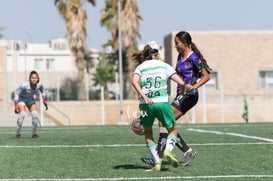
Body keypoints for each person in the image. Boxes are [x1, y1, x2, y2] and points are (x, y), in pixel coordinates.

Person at [141, 31, 212, 167]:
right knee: (167, 123)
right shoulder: (180, 56)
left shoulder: (193, 58)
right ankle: (187, 151)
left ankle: (159, 157)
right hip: (181, 95)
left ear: (185, 43)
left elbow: (206, 76)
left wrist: (194, 86)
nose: (175, 46)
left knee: (164, 122)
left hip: (189, 96)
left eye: (177, 43)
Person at [131, 41, 187, 171]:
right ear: (157, 53)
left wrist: (144, 97)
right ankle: (168, 151)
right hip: (162, 102)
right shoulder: (164, 65)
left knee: (148, 134)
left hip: (146, 104)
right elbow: (182, 83)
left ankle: (157, 163)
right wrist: (182, 93)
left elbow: (134, 81)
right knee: (172, 130)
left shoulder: (141, 67)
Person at [14, 70, 48, 138]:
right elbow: (17, 93)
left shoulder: (39, 85)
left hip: (30, 100)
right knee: (22, 115)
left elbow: (43, 91)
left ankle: (34, 133)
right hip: (22, 99)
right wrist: (16, 106)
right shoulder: (24, 85)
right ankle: (17, 133)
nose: (34, 79)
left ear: (38, 78)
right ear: (30, 78)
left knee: (35, 114)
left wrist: (44, 101)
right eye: (32, 78)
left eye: (35, 78)